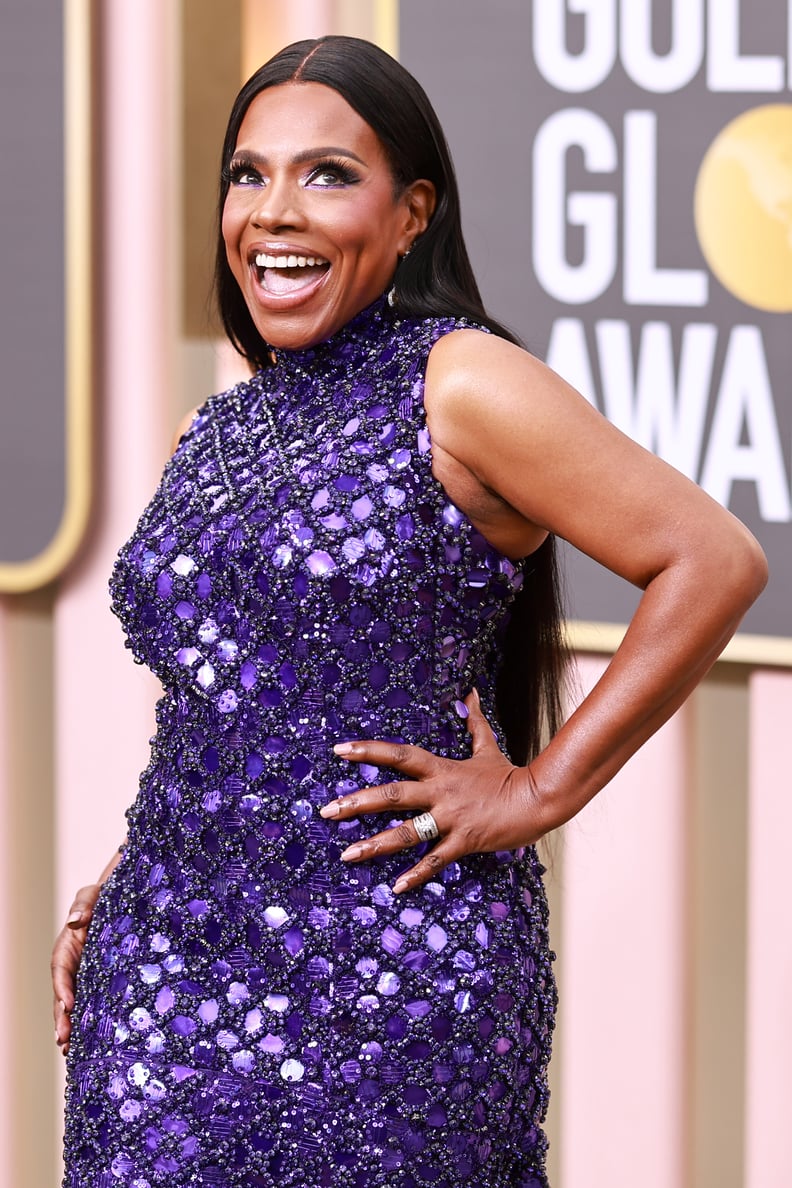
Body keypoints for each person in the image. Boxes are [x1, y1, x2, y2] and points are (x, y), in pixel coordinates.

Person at [51, 35, 767, 1188]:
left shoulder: (462, 382)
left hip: (388, 984)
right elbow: (226, 706)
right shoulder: (224, 427)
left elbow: (711, 558)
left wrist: (538, 791)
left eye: (327, 174)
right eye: (249, 173)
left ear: (412, 212)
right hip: (163, 976)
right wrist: (142, 877)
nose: (274, 212)